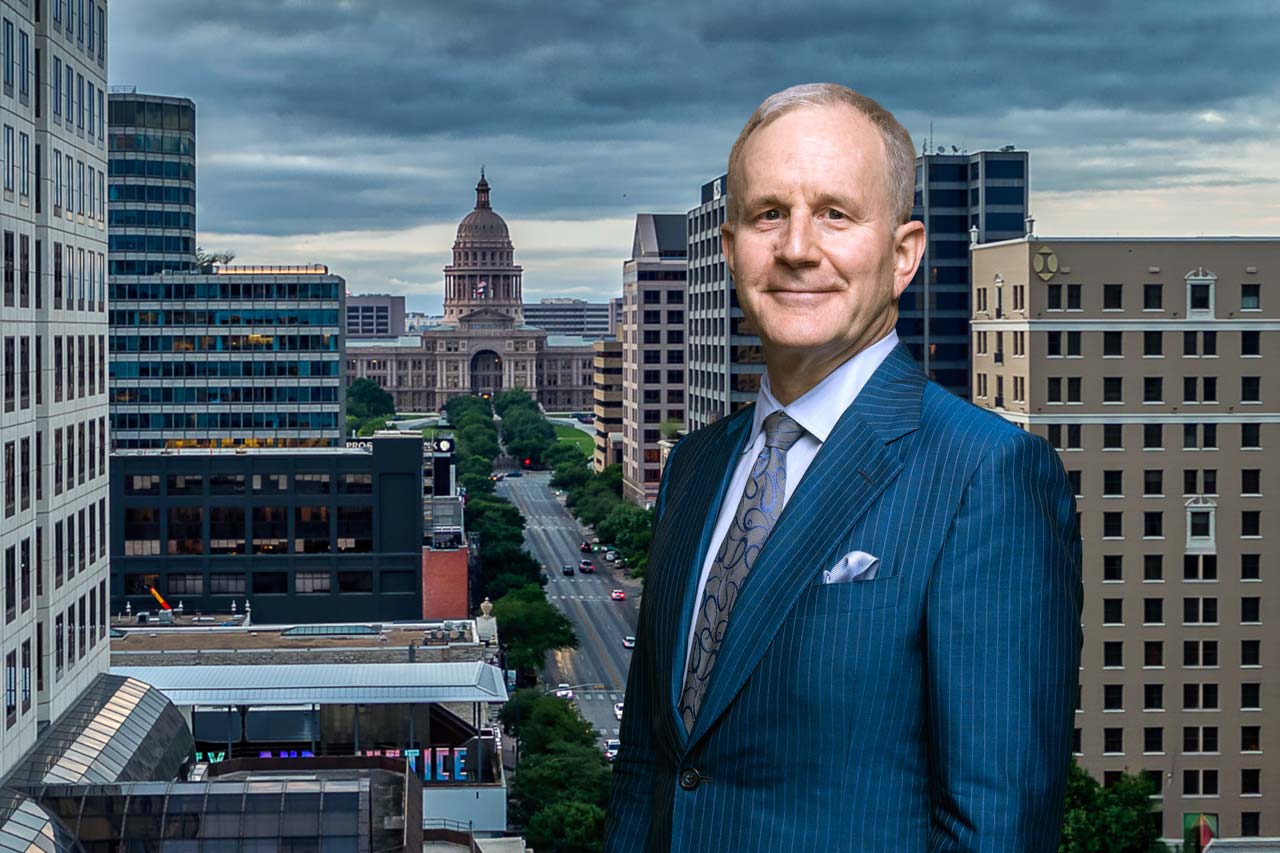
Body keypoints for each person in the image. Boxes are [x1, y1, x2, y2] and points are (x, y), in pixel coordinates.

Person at [605, 83, 1083, 852]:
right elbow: (647, 772)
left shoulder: (987, 476)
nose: (797, 248)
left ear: (903, 254)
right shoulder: (695, 470)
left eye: (835, 212)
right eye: (769, 214)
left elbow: (994, 829)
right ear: (729, 252)